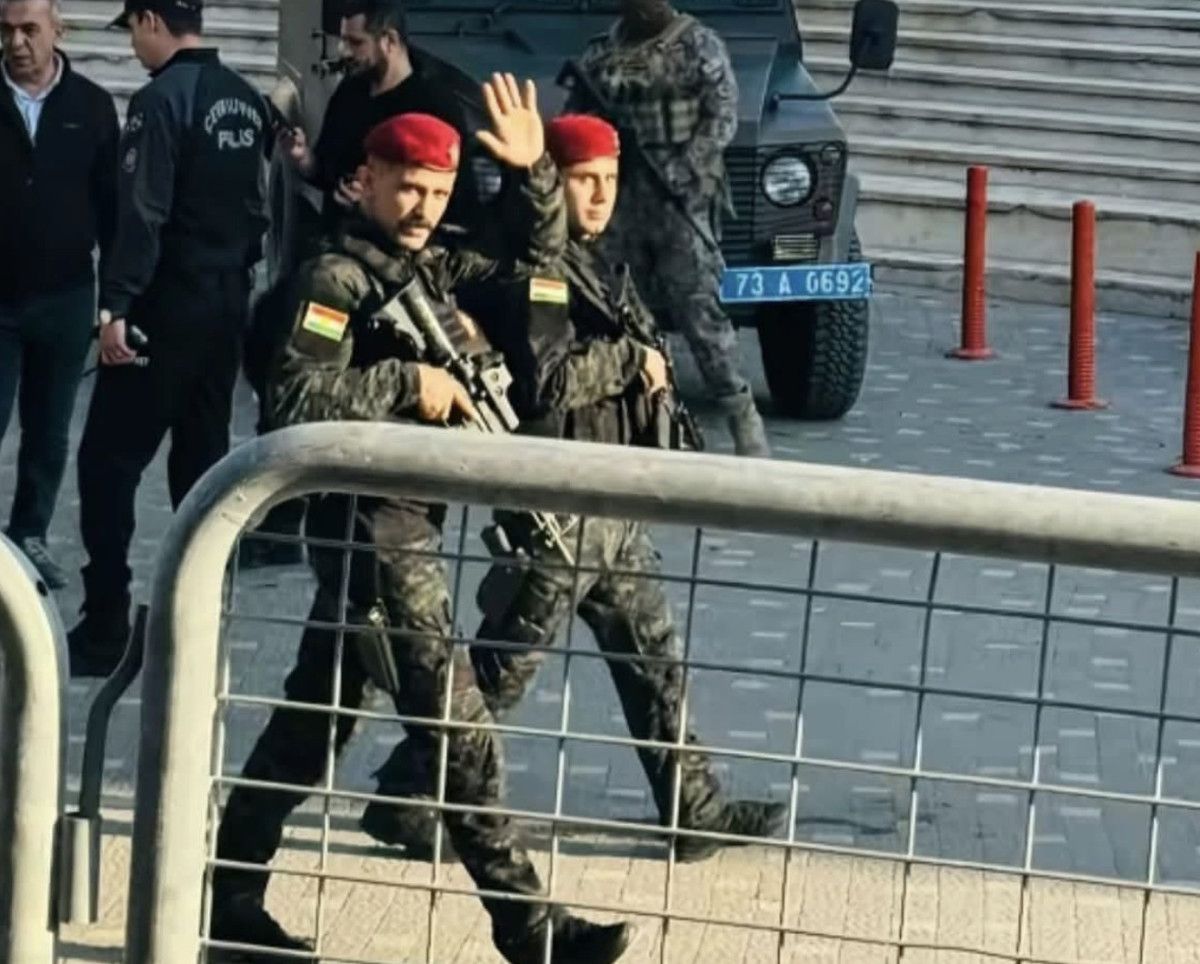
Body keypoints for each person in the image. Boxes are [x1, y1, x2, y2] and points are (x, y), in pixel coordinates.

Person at [210, 92, 631, 964]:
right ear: (366, 179)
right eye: (408, 188)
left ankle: (228, 898)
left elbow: (532, 264)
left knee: (309, 728)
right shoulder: (335, 280)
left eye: (438, 193)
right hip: (371, 535)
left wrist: (534, 175)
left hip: (400, 530)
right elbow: (293, 397)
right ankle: (529, 929)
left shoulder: (428, 269)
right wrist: (410, 385)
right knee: (458, 732)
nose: (424, 208)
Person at [360, 113, 786, 863]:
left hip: (603, 494)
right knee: (506, 664)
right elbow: (548, 382)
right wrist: (629, 361)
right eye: (584, 180)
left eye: (609, 181)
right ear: (551, 181)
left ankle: (693, 805)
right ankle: (409, 792)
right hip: (558, 495)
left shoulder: (587, 258)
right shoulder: (537, 268)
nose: (599, 196)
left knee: (650, 652)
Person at [67, 0, 269, 677]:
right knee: (203, 471)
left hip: (166, 304)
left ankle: (105, 625)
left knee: (106, 464)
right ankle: (200, 622)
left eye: (132, 29)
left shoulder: (160, 102)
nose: (132, 45)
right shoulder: (247, 99)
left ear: (152, 20)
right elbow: (258, 206)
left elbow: (142, 212)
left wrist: (116, 306)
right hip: (226, 305)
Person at [565, 0, 770, 457]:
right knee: (613, 305)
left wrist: (684, 169)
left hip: (679, 200)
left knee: (700, 310)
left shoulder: (697, 45)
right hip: (620, 200)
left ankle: (742, 415)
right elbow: (577, 120)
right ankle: (637, 409)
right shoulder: (602, 53)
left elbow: (721, 117)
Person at [0, 0, 117, 589]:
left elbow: (113, 210)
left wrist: (115, 304)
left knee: (48, 432)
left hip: (66, 297)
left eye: (29, 29)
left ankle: (29, 537)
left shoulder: (91, 106)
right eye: (6, 30)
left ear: (57, 31)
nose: (17, 41)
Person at [277, 0, 479, 240]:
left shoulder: (435, 105)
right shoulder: (350, 92)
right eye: (343, 40)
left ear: (389, 41)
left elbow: (454, 202)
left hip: (396, 253)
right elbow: (326, 171)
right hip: (339, 245)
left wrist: (371, 205)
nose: (344, 51)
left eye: (356, 42)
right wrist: (303, 158)